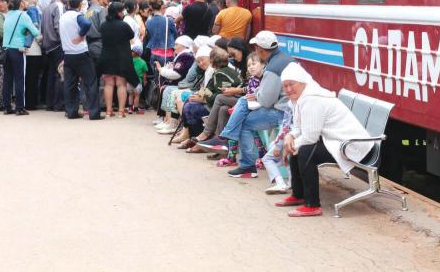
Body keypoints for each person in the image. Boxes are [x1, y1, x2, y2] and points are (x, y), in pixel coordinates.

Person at [277, 62, 374, 217]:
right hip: (337, 141)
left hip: (355, 146)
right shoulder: (301, 96)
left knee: (305, 152)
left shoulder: (311, 99)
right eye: (285, 86)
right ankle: (298, 195)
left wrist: (290, 146)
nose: (288, 89)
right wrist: (290, 136)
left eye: (291, 84)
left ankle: (312, 205)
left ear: (302, 82)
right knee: (299, 148)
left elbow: (310, 137)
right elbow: (298, 127)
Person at [199, 30, 293, 178]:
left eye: (256, 48)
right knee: (242, 104)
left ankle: (246, 163)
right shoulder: (285, 58)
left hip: (283, 113)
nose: (255, 51)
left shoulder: (273, 68)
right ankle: (227, 138)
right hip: (288, 109)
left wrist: (255, 94)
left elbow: (266, 100)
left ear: (261, 50)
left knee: (243, 122)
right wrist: (256, 94)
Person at [60, 0, 101, 120]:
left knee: (69, 84)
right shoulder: (77, 15)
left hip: (68, 54)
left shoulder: (63, 16)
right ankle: (94, 113)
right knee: (91, 82)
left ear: (68, 3)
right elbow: (86, 24)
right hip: (81, 52)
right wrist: (80, 36)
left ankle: (71, 111)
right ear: (79, 4)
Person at [98, 1, 139, 117]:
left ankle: (109, 111)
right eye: (121, 11)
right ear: (118, 13)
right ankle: (121, 112)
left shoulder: (103, 25)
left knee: (108, 84)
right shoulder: (123, 25)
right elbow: (131, 35)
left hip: (106, 57)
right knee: (121, 84)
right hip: (121, 58)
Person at [1, 0, 40, 116]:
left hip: (6, 49)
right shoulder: (23, 15)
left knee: (7, 79)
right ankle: (20, 107)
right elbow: (35, 31)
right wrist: (26, 32)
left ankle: (7, 106)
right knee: (19, 79)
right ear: (21, 4)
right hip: (18, 50)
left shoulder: (8, 15)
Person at [155, 35, 195, 134]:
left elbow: (177, 74)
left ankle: (172, 122)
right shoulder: (183, 55)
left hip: (185, 84)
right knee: (167, 89)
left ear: (184, 45)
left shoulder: (186, 56)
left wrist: (162, 70)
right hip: (183, 83)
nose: (174, 46)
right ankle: (167, 120)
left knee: (169, 90)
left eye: (177, 44)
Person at [41, 0, 65, 111]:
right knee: (60, 74)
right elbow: (59, 26)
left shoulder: (47, 7)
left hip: (47, 45)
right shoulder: (59, 6)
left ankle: (50, 103)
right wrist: (65, 42)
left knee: (51, 74)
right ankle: (59, 103)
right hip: (57, 44)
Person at [23, 0, 44, 110]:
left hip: (31, 48)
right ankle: (34, 101)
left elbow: (33, 27)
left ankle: (29, 103)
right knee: (34, 77)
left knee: (29, 77)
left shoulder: (31, 11)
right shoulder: (39, 12)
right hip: (37, 49)